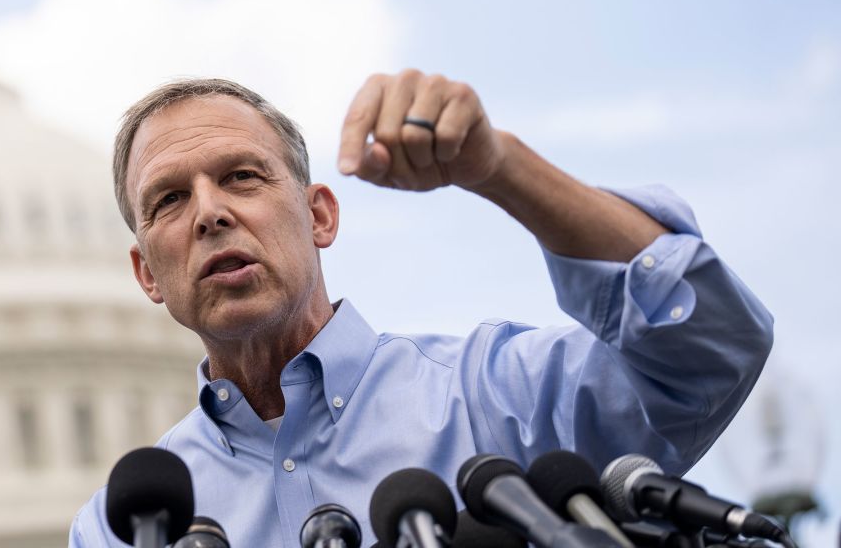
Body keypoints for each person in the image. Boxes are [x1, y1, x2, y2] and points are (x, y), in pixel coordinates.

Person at [69, 71, 773, 547]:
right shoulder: (125, 527)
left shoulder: (495, 397)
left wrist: (499, 166)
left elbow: (710, 351)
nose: (210, 213)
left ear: (320, 217)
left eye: (241, 177)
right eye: (169, 200)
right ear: (146, 274)